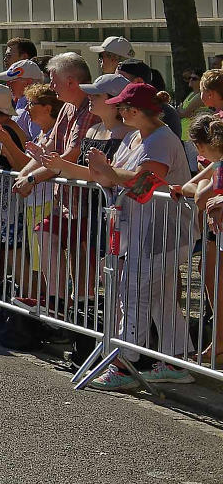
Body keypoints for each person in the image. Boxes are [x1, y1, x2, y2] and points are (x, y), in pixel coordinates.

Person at [84, 80, 195, 390]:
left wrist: (106, 171)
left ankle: (123, 364)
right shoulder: (135, 136)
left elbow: (143, 184)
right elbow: (110, 176)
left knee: (133, 294)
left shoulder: (160, 140)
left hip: (161, 234)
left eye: (121, 105)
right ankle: (176, 359)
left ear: (133, 110)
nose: (117, 109)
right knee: (159, 298)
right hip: (142, 232)